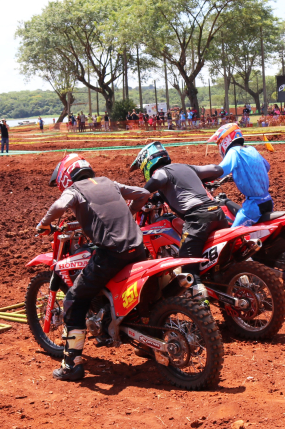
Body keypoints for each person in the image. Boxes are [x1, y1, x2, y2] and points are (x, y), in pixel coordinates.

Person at [36, 153, 150, 381]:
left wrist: (43, 224)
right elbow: (144, 194)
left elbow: (59, 205)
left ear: (66, 176)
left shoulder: (75, 190)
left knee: (75, 298)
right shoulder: (109, 183)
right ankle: (145, 341)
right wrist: (127, 214)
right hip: (138, 249)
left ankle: (72, 365)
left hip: (112, 254)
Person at [131, 142, 227, 297]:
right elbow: (217, 170)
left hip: (198, 219)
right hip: (218, 213)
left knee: (187, 265)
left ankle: (200, 304)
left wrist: (141, 193)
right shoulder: (186, 167)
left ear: (147, 163)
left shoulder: (162, 172)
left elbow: (157, 180)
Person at [206, 123, 272, 227]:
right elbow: (266, 166)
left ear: (225, 140)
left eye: (219, 142)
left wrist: (205, 177)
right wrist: (242, 174)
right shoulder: (251, 149)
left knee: (232, 235)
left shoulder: (234, 152)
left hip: (253, 206)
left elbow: (220, 171)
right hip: (268, 200)